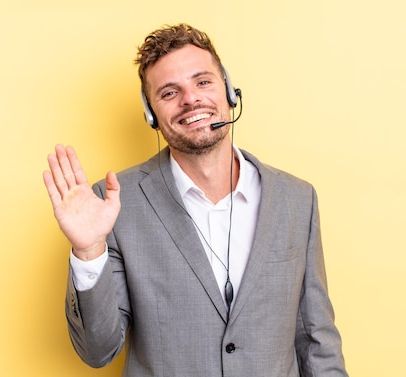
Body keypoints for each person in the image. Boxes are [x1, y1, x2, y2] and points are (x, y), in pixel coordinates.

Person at [43, 23, 348, 377]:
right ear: (151, 114)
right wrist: (89, 251)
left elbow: (316, 340)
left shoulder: (297, 199)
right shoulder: (113, 205)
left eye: (203, 82)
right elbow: (98, 351)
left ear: (229, 91)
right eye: (169, 92)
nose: (191, 99)